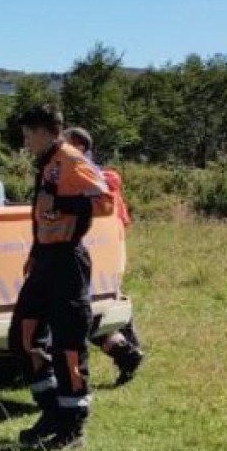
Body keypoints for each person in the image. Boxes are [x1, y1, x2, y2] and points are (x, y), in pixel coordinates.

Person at [11, 106, 115, 451]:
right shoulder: (46, 161)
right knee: (22, 337)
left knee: (68, 344)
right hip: (44, 260)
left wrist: (63, 202)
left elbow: (104, 202)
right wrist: (34, 252)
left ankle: (73, 424)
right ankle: (52, 409)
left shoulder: (71, 159)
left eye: (28, 134)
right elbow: (42, 212)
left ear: (44, 131)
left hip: (68, 262)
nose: (25, 142)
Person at [62, 126, 145, 386]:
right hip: (103, 250)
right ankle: (126, 350)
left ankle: (126, 350)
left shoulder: (89, 178)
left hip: (92, 250)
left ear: (82, 149)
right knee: (101, 302)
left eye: (67, 145)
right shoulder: (100, 177)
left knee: (83, 308)